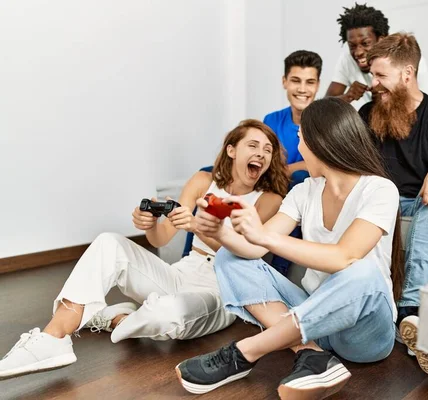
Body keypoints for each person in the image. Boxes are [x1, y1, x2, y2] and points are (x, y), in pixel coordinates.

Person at [0, 120, 289, 379]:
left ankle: (115, 317)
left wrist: (198, 226)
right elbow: (160, 239)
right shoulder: (204, 181)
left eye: (267, 150)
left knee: (166, 314)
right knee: (108, 242)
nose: (262, 154)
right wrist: (148, 222)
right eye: (253, 145)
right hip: (183, 271)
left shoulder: (268, 199)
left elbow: (250, 252)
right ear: (231, 151)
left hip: (222, 287)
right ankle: (54, 337)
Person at [174, 98, 403, 399]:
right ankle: (312, 354)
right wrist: (221, 233)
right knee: (231, 256)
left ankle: (245, 353)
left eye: (301, 139)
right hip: (315, 319)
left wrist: (265, 237)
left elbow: (344, 256)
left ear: (320, 142)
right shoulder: (303, 191)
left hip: (363, 334)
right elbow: (253, 248)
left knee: (361, 270)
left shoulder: (380, 189)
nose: (299, 148)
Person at [358, 33, 428, 378]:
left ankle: (410, 306)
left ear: (407, 74)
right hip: (382, 205)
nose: (372, 84)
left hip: (423, 204)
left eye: (380, 76)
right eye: (371, 75)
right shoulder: (366, 114)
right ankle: (395, 319)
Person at [263, 50, 322, 275]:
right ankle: (190, 256)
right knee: (209, 174)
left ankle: (279, 269)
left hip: (302, 189)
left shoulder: (323, 122)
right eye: (296, 81)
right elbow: (266, 161)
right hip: (273, 181)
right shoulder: (272, 120)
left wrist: (290, 168)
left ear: (317, 85)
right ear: (284, 82)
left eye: (310, 82)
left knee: (299, 181)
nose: (302, 89)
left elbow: (321, 165)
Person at [325, 3, 428, 110]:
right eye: (352, 46)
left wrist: (385, 97)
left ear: (381, 40)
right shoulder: (347, 59)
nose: (358, 52)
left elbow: (418, 105)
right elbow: (325, 105)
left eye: (365, 43)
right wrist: (348, 96)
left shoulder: (406, 57)